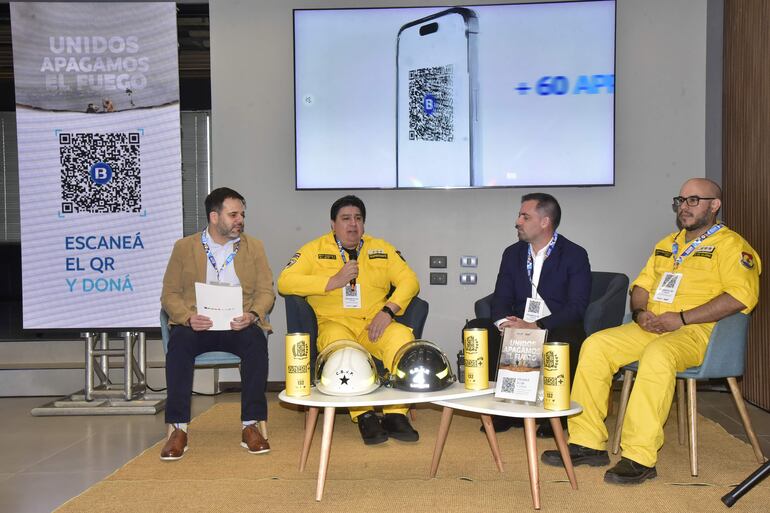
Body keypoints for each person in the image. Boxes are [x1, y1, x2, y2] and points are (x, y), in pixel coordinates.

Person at [542, 178, 761, 484]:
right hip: (652, 326)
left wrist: (682, 319)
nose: (684, 207)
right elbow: (641, 287)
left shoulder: (733, 246)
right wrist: (641, 312)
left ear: (715, 205)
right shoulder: (667, 244)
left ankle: (639, 456)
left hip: (698, 333)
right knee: (596, 345)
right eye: (681, 200)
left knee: (658, 355)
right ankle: (587, 441)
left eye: (693, 200)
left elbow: (740, 297)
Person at [277, 195, 420, 445]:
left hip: (374, 324)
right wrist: (332, 282)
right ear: (333, 224)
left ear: (363, 223)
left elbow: (410, 281)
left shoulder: (381, 249)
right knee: (344, 350)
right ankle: (363, 414)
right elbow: (285, 281)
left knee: (402, 338)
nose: (352, 224)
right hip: (334, 325)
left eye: (358, 218)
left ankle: (396, 413)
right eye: (345, 219)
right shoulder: (314, 250)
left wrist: (388, 311)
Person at [160, 187, 275, 461]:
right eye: (233, 214)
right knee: (179, 343)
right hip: (198, 324)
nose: (240, 220)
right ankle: (178, 428)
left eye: (242, 215)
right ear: (214, 217)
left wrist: (253, 315)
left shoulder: (254, 246)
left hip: (239, 323)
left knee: (256, 343)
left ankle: (251, 426)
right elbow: (169, 294)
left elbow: (266, 291)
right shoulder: (184, 247)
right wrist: (188, 317)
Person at [469, 193, 591, 436]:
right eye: (519, 215)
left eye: (525, 216)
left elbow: (577, 306)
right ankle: (501, 409)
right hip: (517, 323)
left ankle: (556, 413)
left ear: (545, 222)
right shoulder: (512, 253)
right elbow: (500, 296)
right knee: (477, 328)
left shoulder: (574, 254)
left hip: (554, 324)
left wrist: (537, 325)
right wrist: (506, 323)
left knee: (569, 336)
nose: (518, 221)